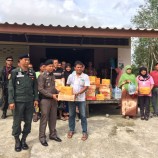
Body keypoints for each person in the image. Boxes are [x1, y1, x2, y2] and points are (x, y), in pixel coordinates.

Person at [8, 54, 38, 152]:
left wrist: (36, 99)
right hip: (18, 101)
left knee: (28, 121)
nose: (27, 61)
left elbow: (35, 87)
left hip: (29, 101)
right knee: (17, 122)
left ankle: (24, 139)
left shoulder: (32, 72)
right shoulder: (14, 72)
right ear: (20, 61)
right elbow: (11, 87)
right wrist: (11, 101)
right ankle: (17, 140)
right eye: (25, 60)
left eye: (28, 60)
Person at [38, 59, 61, 146]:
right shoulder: (42, 76)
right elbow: (40, 89)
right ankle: (42, 138)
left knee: (53, 118)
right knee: (44, 119)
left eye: (52, 66)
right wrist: (51, 95)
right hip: (45, 100)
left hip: (54, 100)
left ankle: (53, 135)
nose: (51, 67)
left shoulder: (53, 76)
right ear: (45, 67)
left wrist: (59, 92)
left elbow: (54, 87)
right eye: (50, 66)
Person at [67, 61, 90, 141]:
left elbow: (86, 87)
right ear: (75, 68)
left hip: (81, 99)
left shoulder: (85, 76)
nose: (79, 68)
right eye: (78, 67)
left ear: (82, 68)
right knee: (71, 115)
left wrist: (78, 93)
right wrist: (69, 93)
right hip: (72, 99)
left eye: (80, 67)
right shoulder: (71, 76)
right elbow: (67, 85)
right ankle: (71, 130)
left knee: (83, 116)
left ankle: (84, 132)